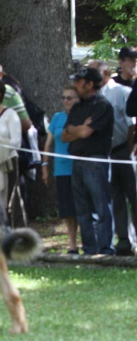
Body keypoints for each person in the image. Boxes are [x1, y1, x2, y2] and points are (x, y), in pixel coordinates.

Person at [63, 67, 115, 255]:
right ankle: (89, 249)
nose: (75, 85)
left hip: (96, 161)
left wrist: (76, 130)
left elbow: (85, 132)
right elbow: (64, 135)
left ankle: (105, 249)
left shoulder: (103, 106)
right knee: (82, 208)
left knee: (100, 206)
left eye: (79, 81)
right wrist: (79, 129)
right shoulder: (77, 107)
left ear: (90, 84)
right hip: (77, 160)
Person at [91, 60, 137, 256]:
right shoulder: (94, 96)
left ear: (106, 73)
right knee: (116, 199)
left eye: (93, 74)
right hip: (106, 154)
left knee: (135, 197)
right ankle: (124, 241)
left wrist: (129, 151)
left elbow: (132, 125)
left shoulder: (121, 92)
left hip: (125, 152)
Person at [42, 86, 80, 254]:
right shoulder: (57, 118)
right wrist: (44, 166)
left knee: (82, 206)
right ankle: (72, 243)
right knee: (67, 209)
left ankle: (87, 240)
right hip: (61, 169)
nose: (66, 101)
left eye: (70, 98)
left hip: (79, 168)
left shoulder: (82, 116)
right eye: (63, 98)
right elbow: (48, 144)